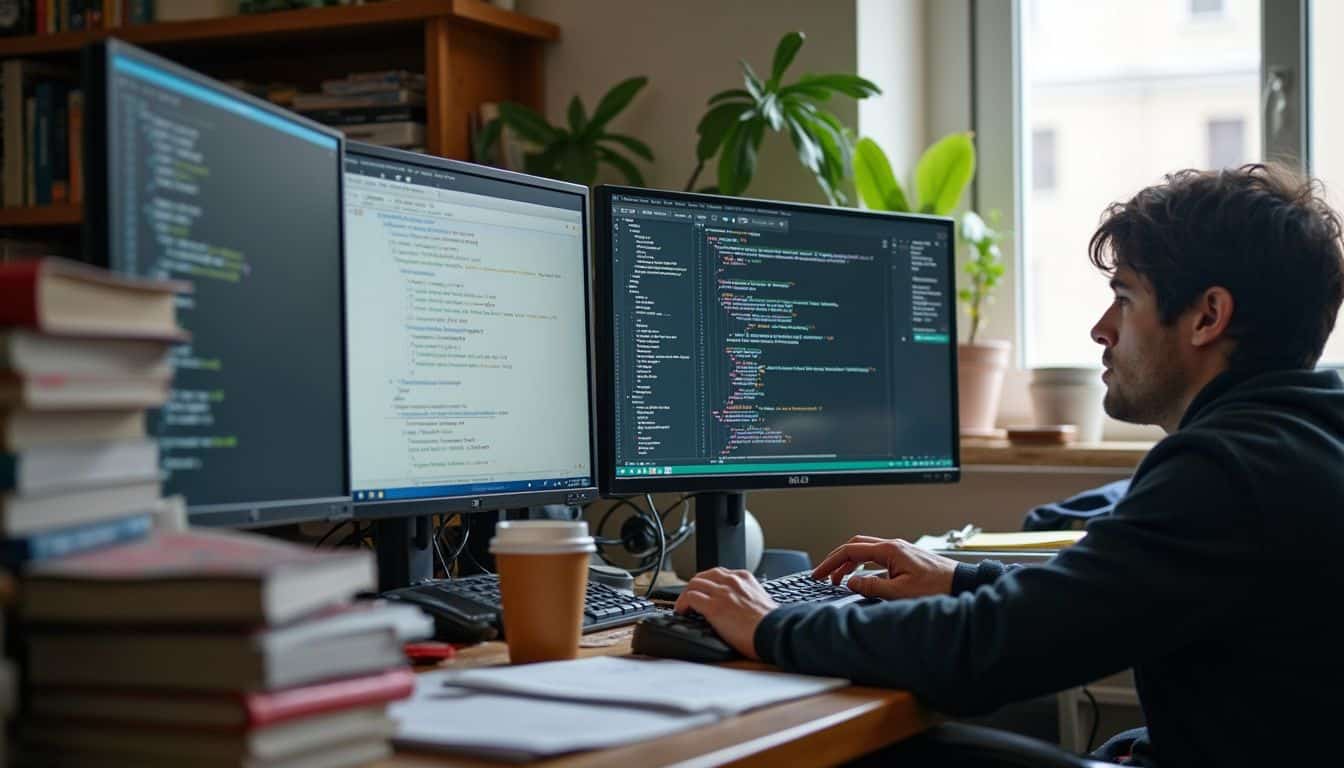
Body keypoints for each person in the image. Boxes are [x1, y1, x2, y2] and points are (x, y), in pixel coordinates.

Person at [674, 164, 1344, 767]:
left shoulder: (1225, 470)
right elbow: (1090, 606)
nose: (1101, 328)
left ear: (1207, 316)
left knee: (872, 755)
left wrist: (770, 624)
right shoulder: (1300, 435)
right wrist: (961, 581)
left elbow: (989, 653)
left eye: (1127, 296)